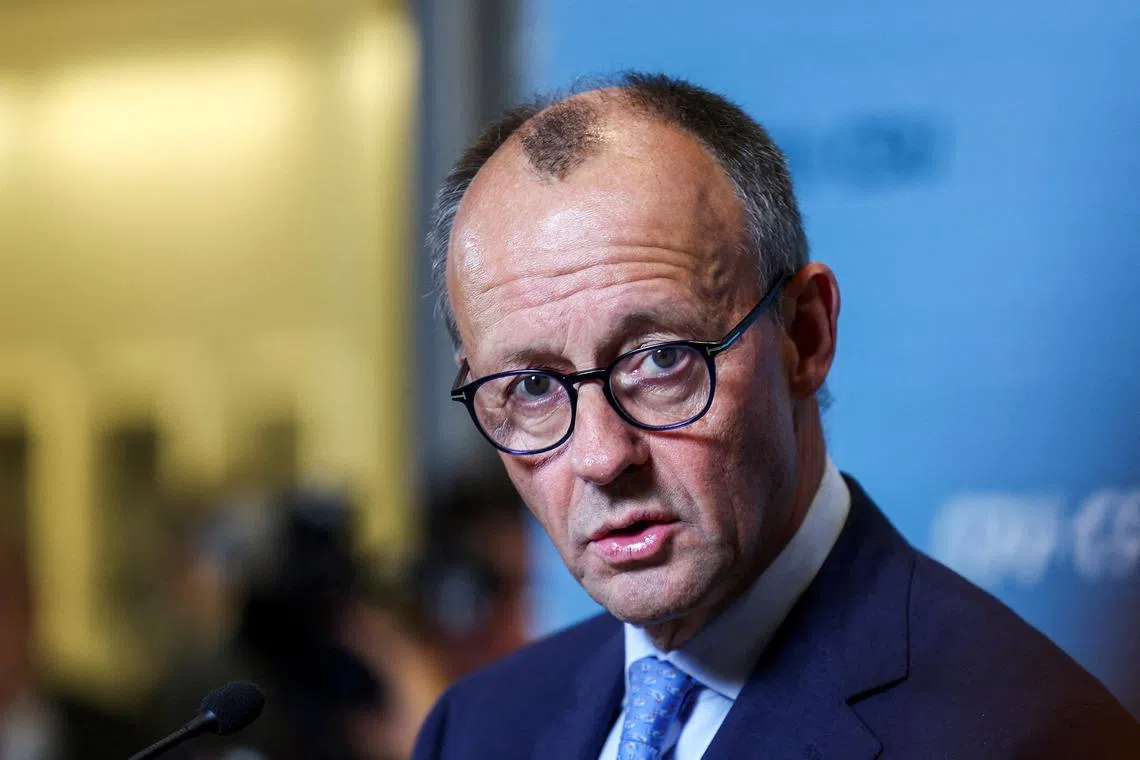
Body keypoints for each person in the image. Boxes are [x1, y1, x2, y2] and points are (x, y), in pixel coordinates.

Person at [411, 73, 1140, 759]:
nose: (602, 457)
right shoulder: (473, 728)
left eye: (661, 359)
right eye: (532, 385)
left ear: (805, 335)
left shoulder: (1030, 736)